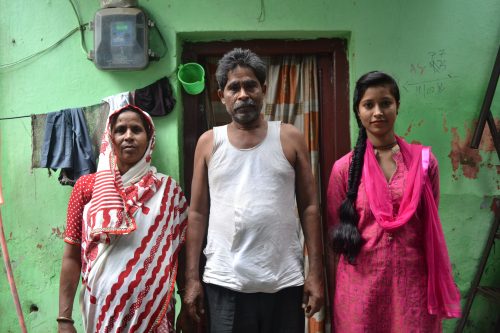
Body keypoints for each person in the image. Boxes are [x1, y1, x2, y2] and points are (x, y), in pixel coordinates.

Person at [184, 48, 324, 332]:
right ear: (222, 94)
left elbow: (310, 207)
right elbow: (197, 212)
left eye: (250, 85)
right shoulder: (209, 142)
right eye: (233, 87)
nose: (243, 94)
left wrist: (316, 274)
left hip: (284, 281)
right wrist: (191, 278)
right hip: (225, 283)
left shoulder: (288, 137)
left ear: (264, 89)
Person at [327, 71, 461, 332]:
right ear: (358, 111)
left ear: (397, 107)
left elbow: (427, 225)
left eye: (385, 103)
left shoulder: (424, 164)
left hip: (412, 284)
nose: (378, 112)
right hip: (360, 286)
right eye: (368, 105)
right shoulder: (344, 169)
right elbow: (335, 229)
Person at [58, 105, 189, 333]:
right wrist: (64, 319)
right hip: (101, 314)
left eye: (136, 129)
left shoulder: (169, 191)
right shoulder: (87, 187)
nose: (128, 136)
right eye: (121, 130)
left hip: (155, 316)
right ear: (111, 137)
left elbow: (181, 253)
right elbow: (71, 256)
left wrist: (187, 301)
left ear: (149, 139)